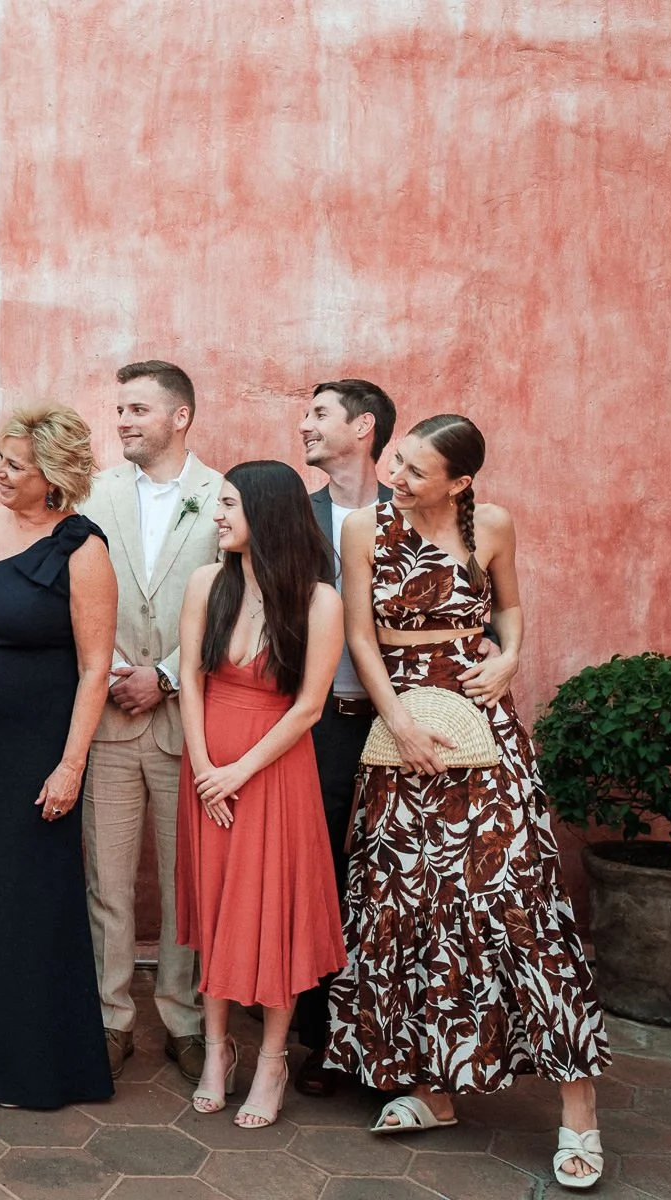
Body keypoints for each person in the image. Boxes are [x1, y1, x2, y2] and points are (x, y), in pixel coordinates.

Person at [326, 415, 608, 1190]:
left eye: (416, 471)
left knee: (520, 903)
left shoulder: (493, 524)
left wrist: (511, 658)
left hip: (487, 739)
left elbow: (508, 612)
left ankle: (577, 1112)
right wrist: (400, 721)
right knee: (407, 905)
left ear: (460, 482)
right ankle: (433, 1091)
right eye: (397, 461)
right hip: (402, 736)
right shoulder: (362, 527)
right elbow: (360, 637)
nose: (396, 477)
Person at [0, 405, 116, 1109]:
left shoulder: (82, 550)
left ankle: (34, 1064)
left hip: (39, 750)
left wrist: (70, 766)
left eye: (14, 465)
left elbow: (96, 668)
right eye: (0, 459)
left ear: (55, 477)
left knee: (29, 900)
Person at [173, 461, 346, 1129]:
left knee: (272, 910)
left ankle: (272, 1058)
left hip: (272, 774)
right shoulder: (206, 584)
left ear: (268, 515)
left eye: (230, 504)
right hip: (208, 767)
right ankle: (218, 1052)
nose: (218, 515)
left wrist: (237, 772)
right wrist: (204, 766)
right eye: (218, 503)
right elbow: (189, 677)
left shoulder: (317, 600)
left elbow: (308, 708)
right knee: (216, 907)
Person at [77, 360, 222, 1082]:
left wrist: (163, 674)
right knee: (105, 879)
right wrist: (108, 674)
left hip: (181, 723)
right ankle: (109, 1018)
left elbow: (231, 602)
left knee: (182, 883)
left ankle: (184, 1019)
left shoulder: (220, 495)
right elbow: (73, 590)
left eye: (138, 409)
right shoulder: (94, 494)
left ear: (180, 416)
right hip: (105, 718)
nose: (124, 421)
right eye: (120, 409)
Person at [289, 378, 393, 1097]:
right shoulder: (297, 517)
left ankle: (390, 1043)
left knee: (393, 881)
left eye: (319, 414)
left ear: (363, 427)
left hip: (398, 726)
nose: (304, 425)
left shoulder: (414, 512)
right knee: (318, 875)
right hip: (317, 723)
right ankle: (322, 1040)